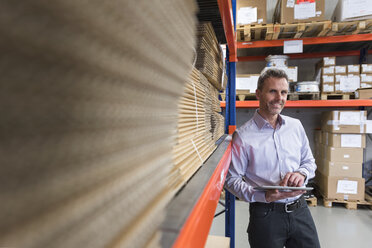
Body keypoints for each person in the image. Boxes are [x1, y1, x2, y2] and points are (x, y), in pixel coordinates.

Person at [225, 68, 320, 248]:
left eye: (284, 92)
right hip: (265, 214)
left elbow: (309, 162)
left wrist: (301, 173)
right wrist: (264, 196)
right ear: (258, 94)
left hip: (300, 210)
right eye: (273, 91)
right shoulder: (243, 136)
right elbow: (232, 180)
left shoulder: (295, 126)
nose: (279, 98)